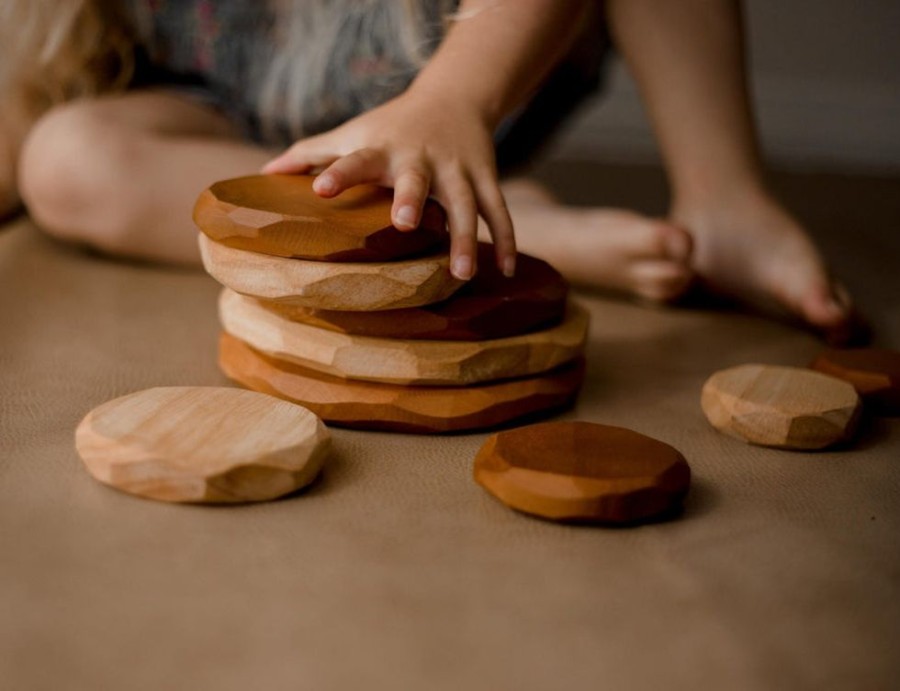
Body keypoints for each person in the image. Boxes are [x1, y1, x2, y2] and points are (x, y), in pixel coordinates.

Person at [0, 0, 855, 341]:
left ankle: (725, 195)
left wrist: (455, 99)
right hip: (237, 111)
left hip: (469, 57)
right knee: (64, 161)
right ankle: (509, 229)